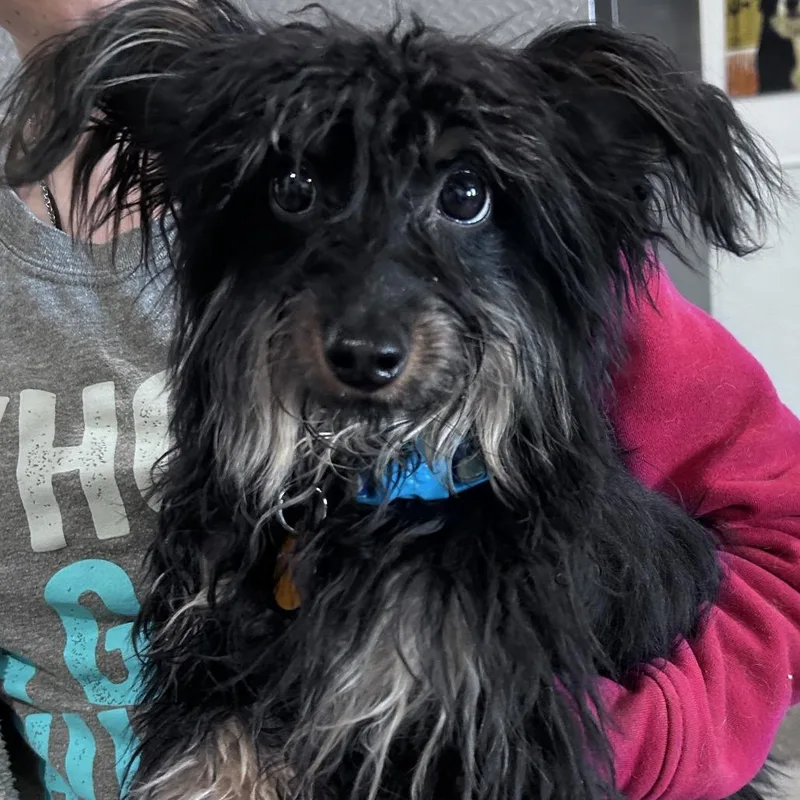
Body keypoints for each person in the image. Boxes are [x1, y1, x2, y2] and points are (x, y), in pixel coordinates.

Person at [0, 2, 799, 798]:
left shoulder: (579, 317)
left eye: (461, 197)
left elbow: (783, 530)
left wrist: (629, 742)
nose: (366, 332)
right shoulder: (230, 498)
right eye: (299, 189)